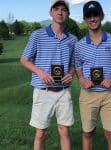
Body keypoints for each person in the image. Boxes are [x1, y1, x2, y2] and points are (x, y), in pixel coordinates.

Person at [20, 0, 77, 150]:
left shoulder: (72, 39)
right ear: (50, 12)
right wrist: (40, 71)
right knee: (40, 133)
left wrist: (71, 73)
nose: (60, 12)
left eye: (64, 9)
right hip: (43, 91)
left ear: (68, 14)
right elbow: (24, 59)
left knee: (64, 130)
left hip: (64, 92)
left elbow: (74, 64)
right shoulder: (37, 35)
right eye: (56, 9)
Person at [75, 1, 111, 150]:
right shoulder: (79, 45)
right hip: (88, 94)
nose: (92, 19)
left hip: (110, 94)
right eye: (89, 16)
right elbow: (78, 67)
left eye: (95, 14)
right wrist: (81, 79)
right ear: (85, 19)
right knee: (88, 133)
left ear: (102, 16)